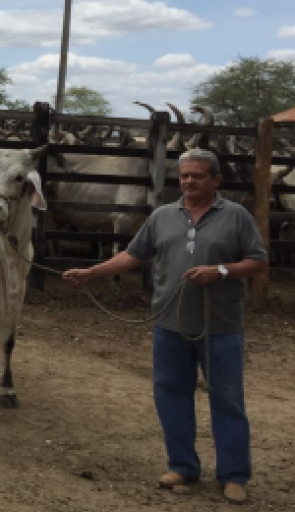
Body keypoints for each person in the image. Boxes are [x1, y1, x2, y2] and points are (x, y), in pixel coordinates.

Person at [63, 149, 266, 505]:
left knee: (228, 400)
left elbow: (258, 261)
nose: (188, 181)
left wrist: (219, 271)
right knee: (170, 396)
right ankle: (183, 465)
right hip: (169, 325)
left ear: (216, 180)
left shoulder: (236, 217)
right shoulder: (162, 216)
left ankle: (234, 475)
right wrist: (92, 273)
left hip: (220, 326)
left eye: (197, 176)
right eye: (185, 176)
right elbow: (133, 255)